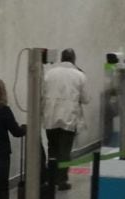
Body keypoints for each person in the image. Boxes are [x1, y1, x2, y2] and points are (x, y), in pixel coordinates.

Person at [43, 48, 88, 191]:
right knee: (64, 151)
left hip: (50, 116)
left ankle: (51, 178)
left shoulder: (49, 73)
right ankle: (62, 180)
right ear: (74, 59)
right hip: (69, 118)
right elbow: (86, 99)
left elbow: (42, 93)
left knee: (52, 149)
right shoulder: (79, 75)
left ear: (62, 58)